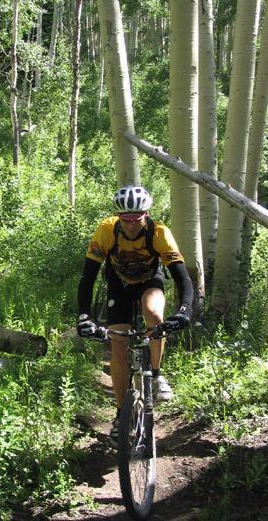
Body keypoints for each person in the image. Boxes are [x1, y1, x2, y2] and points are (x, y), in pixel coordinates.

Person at [76, 185, 193, 443]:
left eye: (136, 219)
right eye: (125, 219)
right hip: (119, 285)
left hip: (150, 283)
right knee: (118, 346)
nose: (130, 225)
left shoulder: (159, 233)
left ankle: (157, 373)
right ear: (118, 217)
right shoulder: (107, 230)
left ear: (146, 214)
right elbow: (88, 278)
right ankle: (120, 414)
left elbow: (182, 277)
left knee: (153, 314)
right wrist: (84, 316)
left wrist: (185, 309)